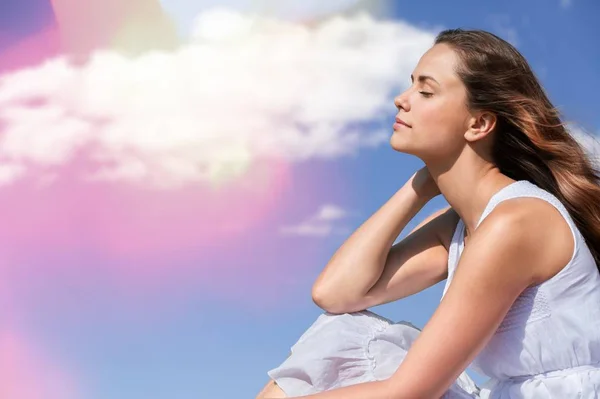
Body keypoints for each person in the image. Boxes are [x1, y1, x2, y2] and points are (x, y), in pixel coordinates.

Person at [256, 28, 600, 399]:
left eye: (426, 91)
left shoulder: (515, 222)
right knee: (345, 333)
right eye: (410, 86)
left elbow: (410, 392)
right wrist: (419, 187)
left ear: (478, 124)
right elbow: (336, 295)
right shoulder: (459, 226)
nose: (401, 100)